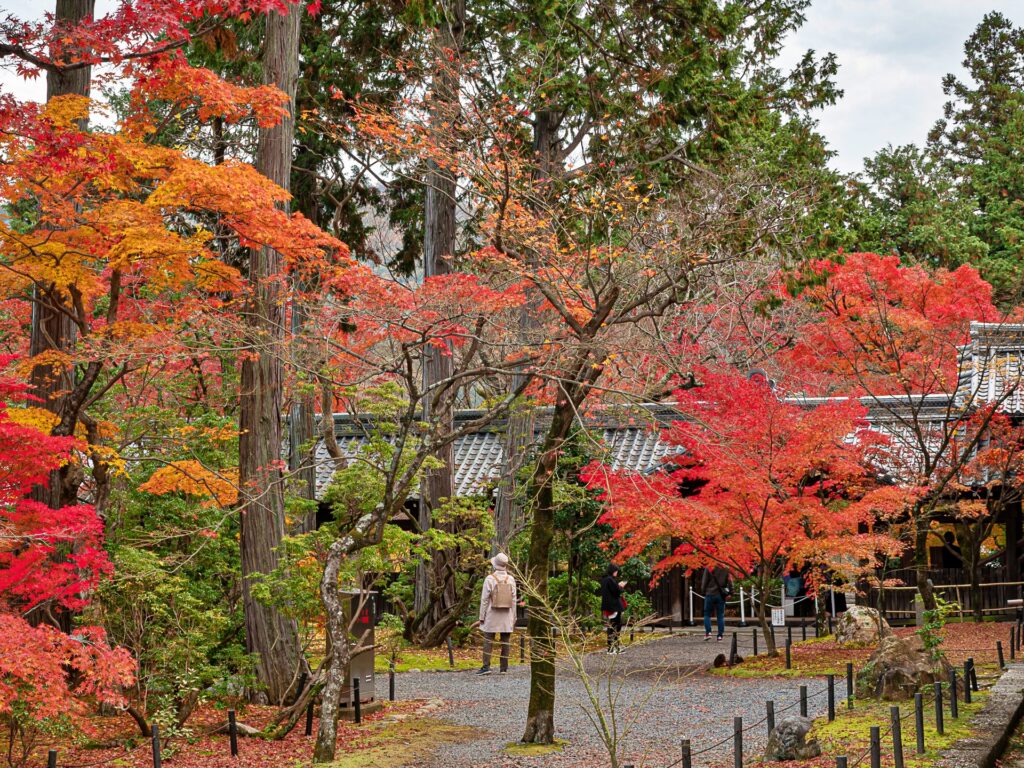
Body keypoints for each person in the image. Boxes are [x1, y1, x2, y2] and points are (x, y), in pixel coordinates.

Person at [476, 553, 517, 675]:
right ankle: (503, 668)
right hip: (507, 615)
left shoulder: (490, 579)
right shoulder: (511, 579)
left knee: (488, 639)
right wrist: (514, 617)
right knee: (505, 640)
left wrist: (481, 616)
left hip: (492, 614)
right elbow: (514, 600)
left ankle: (486, 667)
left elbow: (484, 600)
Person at [600, 563, 628, 654]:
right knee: (616, 626)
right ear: (612, 571)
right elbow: (617, 592)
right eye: (616, 571)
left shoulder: (604, 580)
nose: (616, 573)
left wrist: (618, 586)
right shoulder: (610, 580)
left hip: (608, 606)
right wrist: (621, 586)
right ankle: (614, 647)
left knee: (611, 626)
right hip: (614, 606)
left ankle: (611, 647)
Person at [702, 565, 732, 641]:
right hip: (720, 594)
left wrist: (703, 591)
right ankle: (720, 636)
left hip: (710, 593)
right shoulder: (726, 568)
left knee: (707, 614)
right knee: (720, 616)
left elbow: (704, 582)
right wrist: (730, 592)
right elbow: (730, 581)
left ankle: (708, 633)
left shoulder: (709, 567)